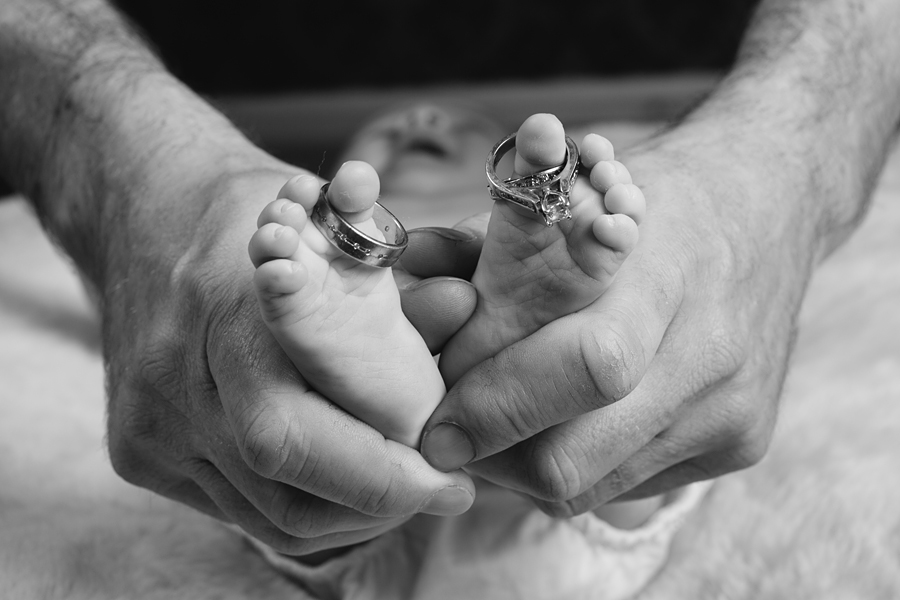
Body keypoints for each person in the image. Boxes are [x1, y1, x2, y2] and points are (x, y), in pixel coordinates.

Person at [1, 0, 899, 564]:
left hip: (527, 411)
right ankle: (379, 369)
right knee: (306, 436)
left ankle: (437, 374)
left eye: (457, 138)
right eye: (387, 142)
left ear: (501, 186)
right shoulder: (354, 258)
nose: (419, 118)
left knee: (622, 428)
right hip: (393, 407)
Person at [248, 112, 661, 529]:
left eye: (465, 125)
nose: (423, 119)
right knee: (609, 507)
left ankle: (413, 405)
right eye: (386, 129)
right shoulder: (365, 254)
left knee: (599, 443)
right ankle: (408, 384)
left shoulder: (487, 239)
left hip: (399, 541)